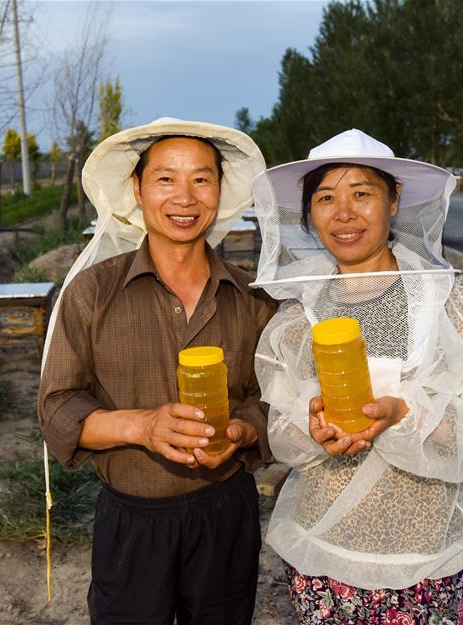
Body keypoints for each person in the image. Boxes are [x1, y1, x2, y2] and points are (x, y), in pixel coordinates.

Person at [252, 129, 463, 624]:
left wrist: (407, 414)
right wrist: (312, 429)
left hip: (423, 563)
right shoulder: (297, 317)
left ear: (395, 199)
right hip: (325, 561)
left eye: (362, 194)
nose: (343, 213)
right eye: (325, 198)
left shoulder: (451, 302)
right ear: (308, 214)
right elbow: (282, 434)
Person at [38, 118, 275, 625]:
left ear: (219, 190)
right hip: (133, 521)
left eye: (201, 179)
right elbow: (57, 406)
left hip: (225, 514)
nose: (184, 197)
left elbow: (271, 398)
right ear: (137, 189)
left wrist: (242, 428)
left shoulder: (252, 299)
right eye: (165, 178)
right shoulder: (92, 294)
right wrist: (141, 426)